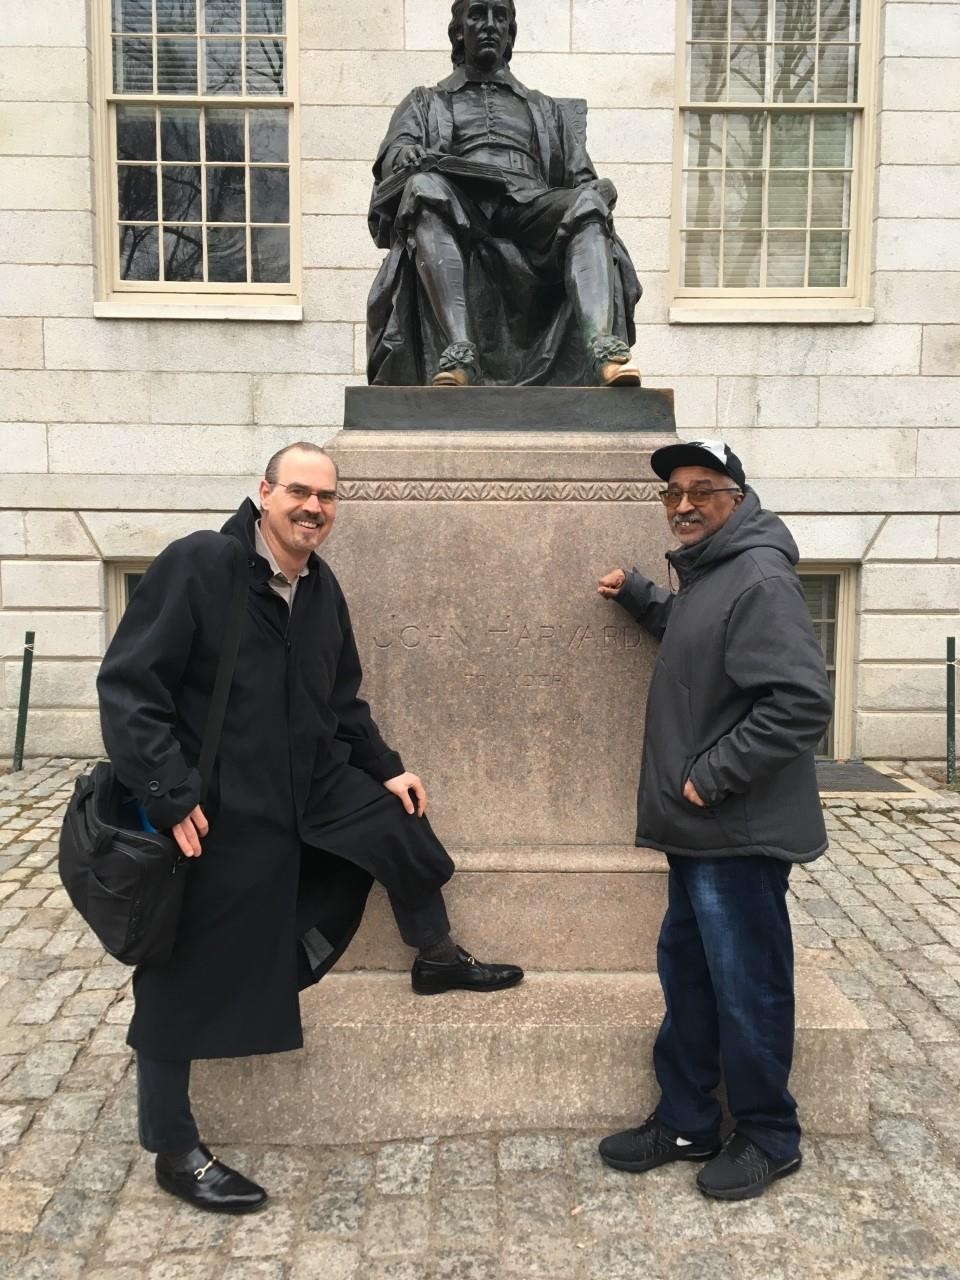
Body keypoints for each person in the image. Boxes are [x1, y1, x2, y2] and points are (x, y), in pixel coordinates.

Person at [97, 441, 523, 1214]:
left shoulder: (321, 589)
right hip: (218, 802)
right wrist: (167, 791)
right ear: (263, 492)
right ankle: (173, 1146)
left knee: (401, 824)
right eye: (298, 491)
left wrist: (386, 765)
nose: (313, 507)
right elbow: (131, 687)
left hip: (311, 780)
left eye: (326, 497)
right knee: (178, 969)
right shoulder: (200, 566)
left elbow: (343, 701)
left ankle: (435, 955)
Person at [595, 439, 833, 1201]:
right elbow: (705, 642)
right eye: (672, 494)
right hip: (700, 833)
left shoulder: (759, 575)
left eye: (703, 490)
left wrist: (710, 778)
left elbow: (799, 702)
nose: (685, 504)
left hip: (736, 828)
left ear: (738, 496)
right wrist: (642, 596)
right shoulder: (712, 575)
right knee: (691, 976)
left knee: (749, 985)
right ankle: (689, 1118)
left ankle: (769, 1135)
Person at [365, 0, 641, 388]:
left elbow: (581, 177)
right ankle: (459, 353)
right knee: (423, 188)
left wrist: (599, 190)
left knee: (588, 205)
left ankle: (605, 351)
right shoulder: (425, 100)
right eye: (478, 14)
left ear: (511, 32)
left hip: (531, 205)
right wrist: (405, 155)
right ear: (459, 30)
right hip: (461, 203)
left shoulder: (544, 108)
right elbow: (394, 157)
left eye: (501, 17)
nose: (490, 24)